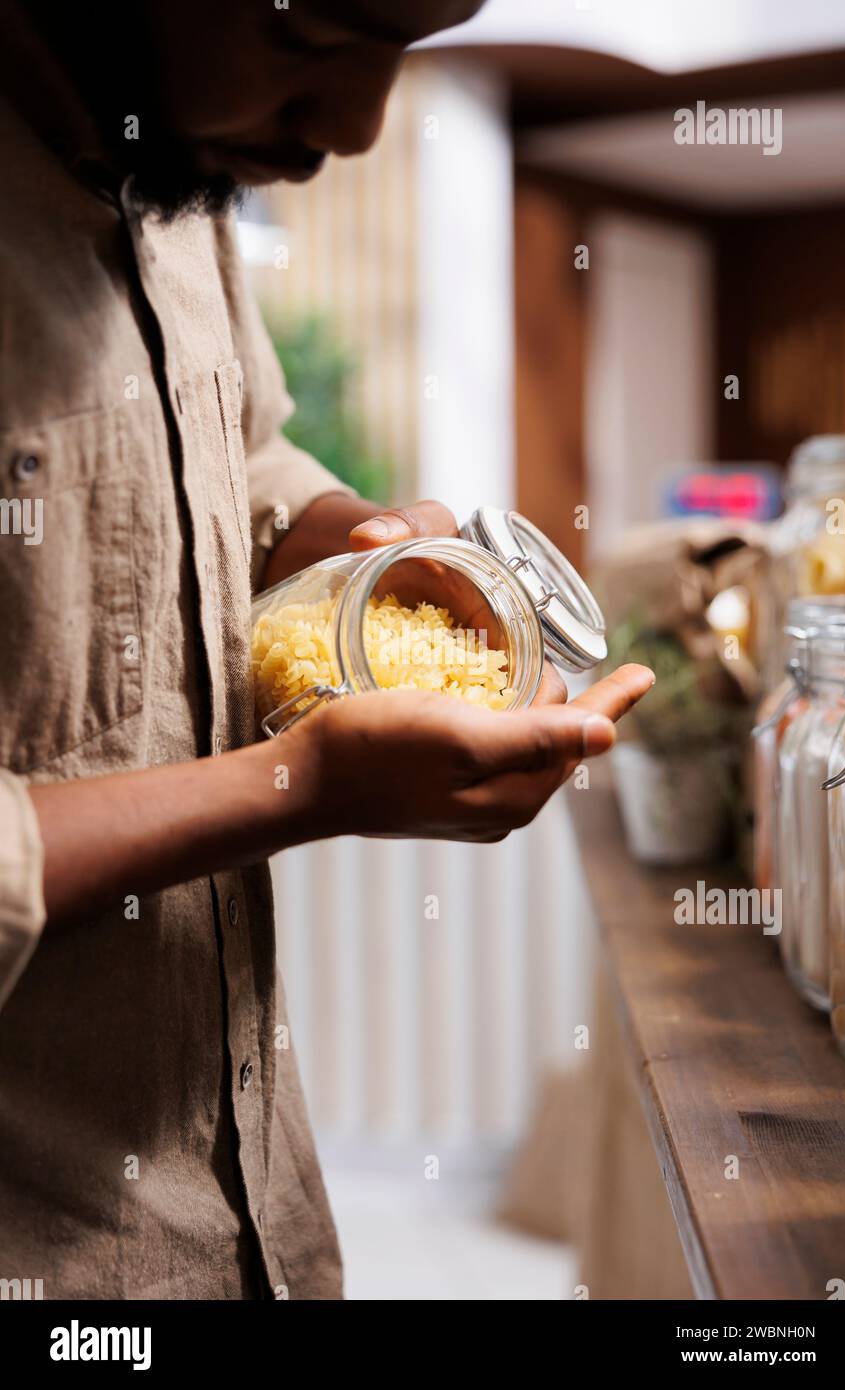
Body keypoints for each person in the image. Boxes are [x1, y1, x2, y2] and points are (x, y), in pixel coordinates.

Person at [0, 0, 653, 1299]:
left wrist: (343, 533)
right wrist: (299, 786)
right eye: (310, 31)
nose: (351, 128)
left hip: (244, 1228)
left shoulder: (179, 162)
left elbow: (237, 447)